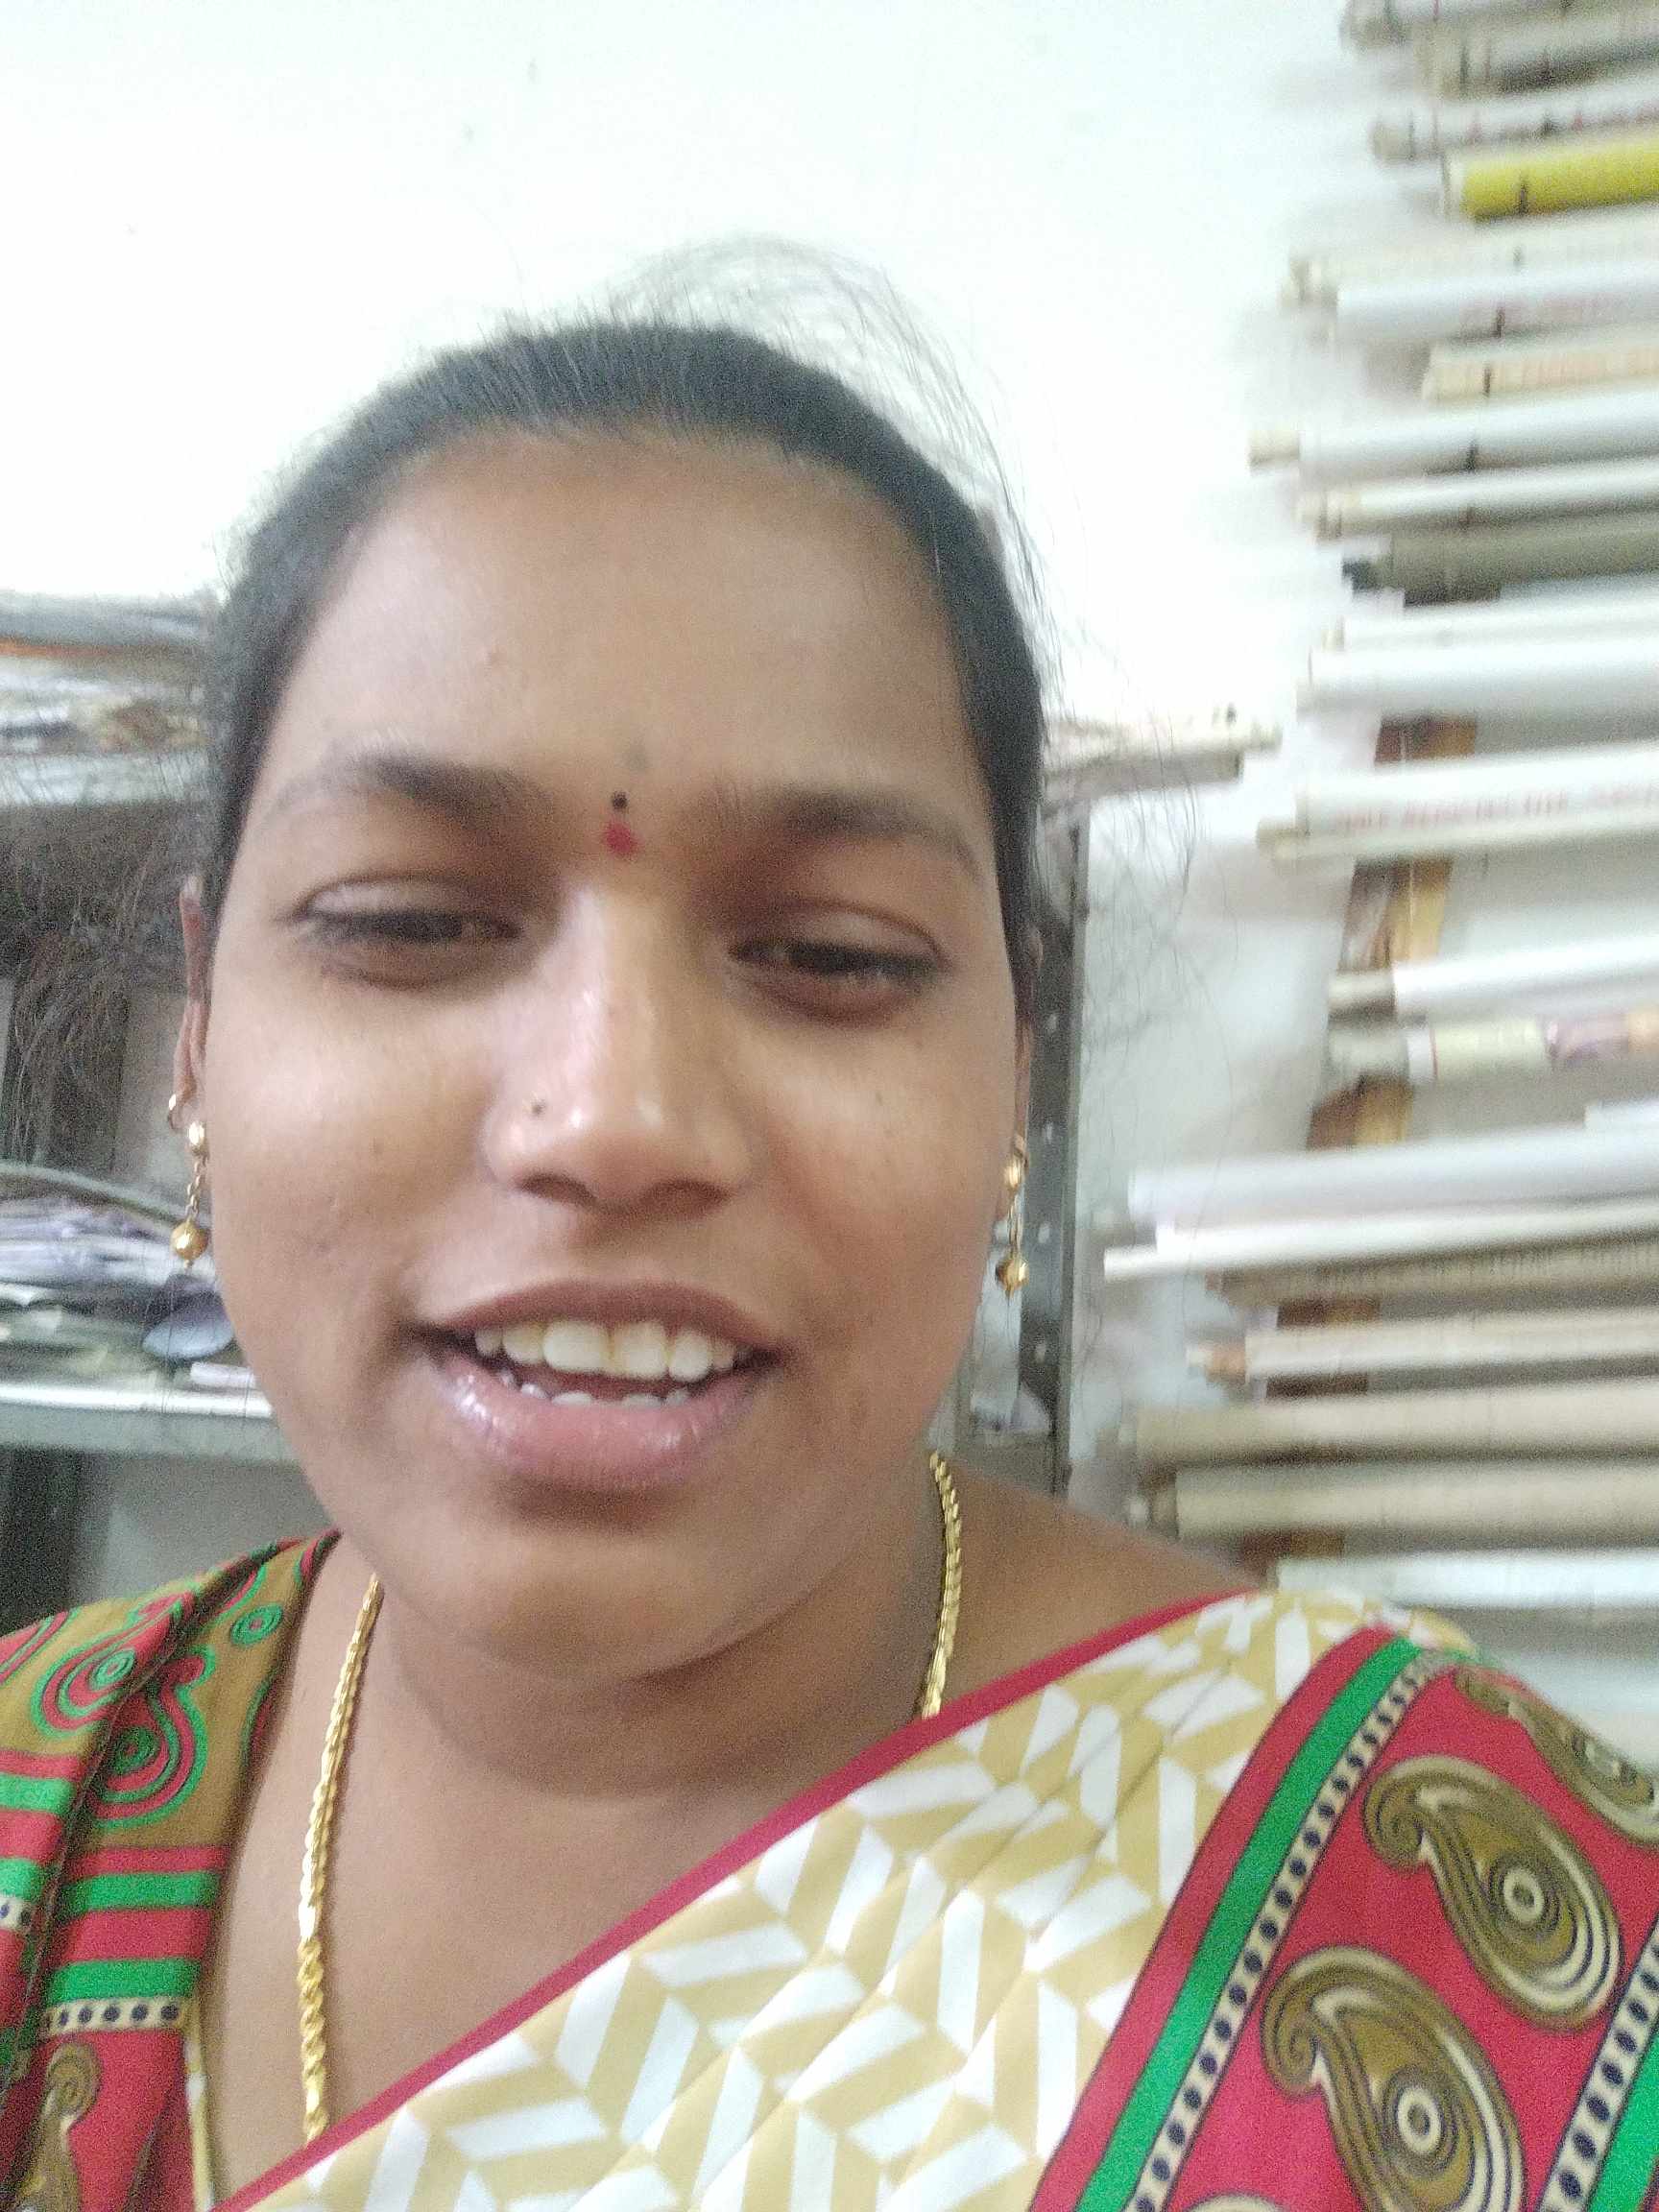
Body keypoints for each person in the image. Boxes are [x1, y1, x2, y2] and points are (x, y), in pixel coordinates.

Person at [1, 313, 1655, 2212]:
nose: (611, 1118)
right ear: (198, 1031)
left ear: (1013, 1069)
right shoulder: (39, 1801)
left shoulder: (1482, 1951)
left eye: (833, 955)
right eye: (413, 919)